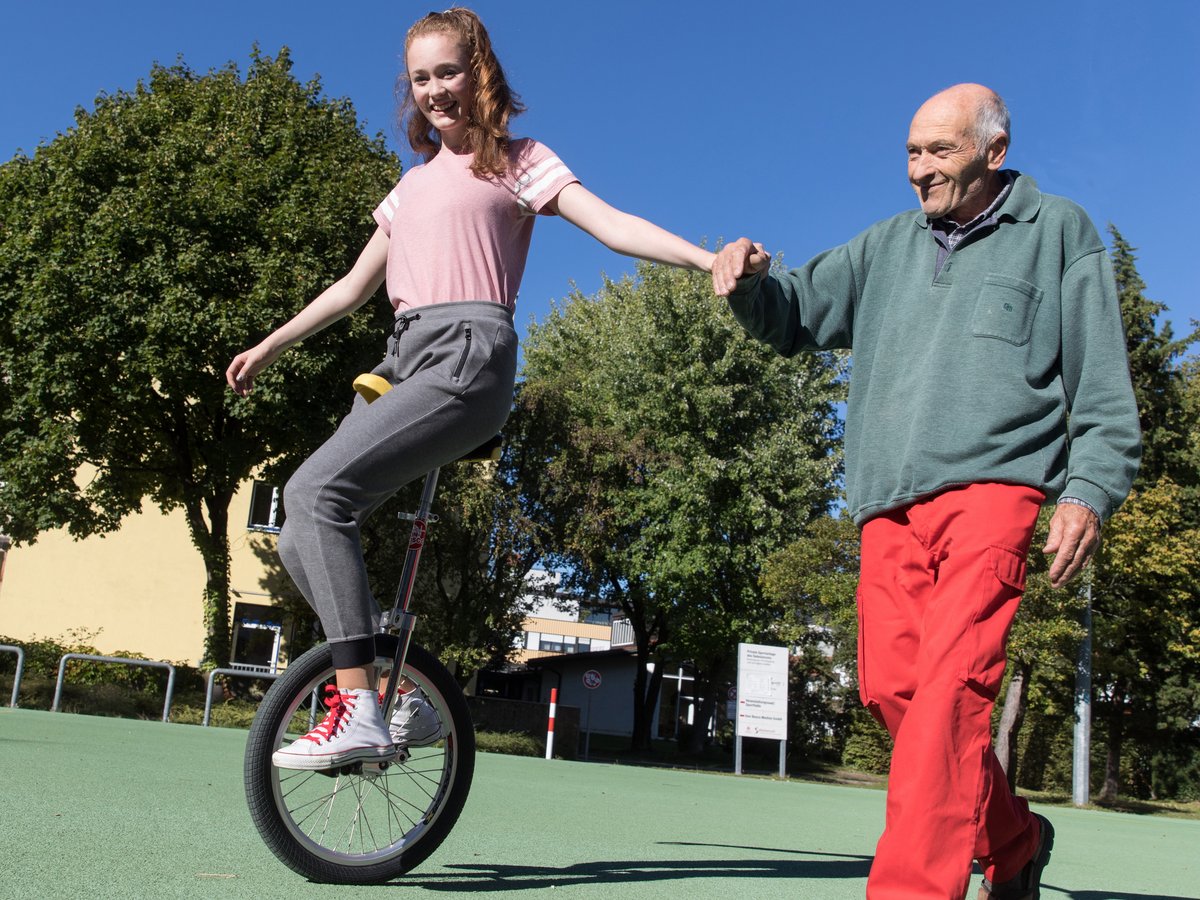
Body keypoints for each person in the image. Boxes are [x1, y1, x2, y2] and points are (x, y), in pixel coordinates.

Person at [226, 8, 713, 771]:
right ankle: (391, 695)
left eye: (447, 72)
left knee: (317, 493)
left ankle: (355, 706)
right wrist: (271, 343)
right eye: (420, 78)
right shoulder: (410, 188)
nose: (434, 91)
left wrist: (704, 259)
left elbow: (612, 224)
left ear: (478, 72)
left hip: (468, 352)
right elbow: (352, 288)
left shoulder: (519, 161)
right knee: (301, 524)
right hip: (401, 359)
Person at [712, 84, 1140, 900]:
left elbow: (1102, 383)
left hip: (996, 489)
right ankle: (1013, 839)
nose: (919, 170)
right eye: (911, 152)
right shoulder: (885, 247)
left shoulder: (1060, 232)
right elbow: (794, 311)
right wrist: (750, 281)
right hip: (886, 498)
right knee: (892, 691)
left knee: (949, 697)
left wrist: (1088, 488)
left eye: (939, 151)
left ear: (993, 150)